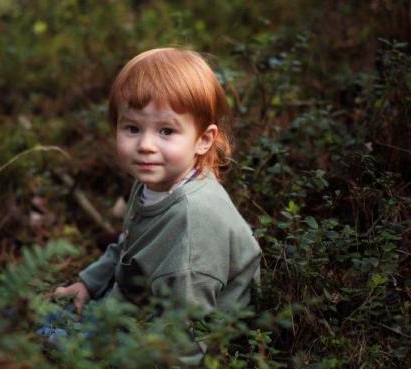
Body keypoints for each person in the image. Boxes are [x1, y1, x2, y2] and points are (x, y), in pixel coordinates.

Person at [50, 47, 261, 364]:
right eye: (132, 128)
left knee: (53, 345)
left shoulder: (194, 221)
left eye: (167, 131)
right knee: (43, 319)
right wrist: (89, 282)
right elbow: (130, 246)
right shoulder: (154, 181)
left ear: (203, 139)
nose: (146, 145)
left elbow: (189, 328)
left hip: (179, 328)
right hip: (145, 299)